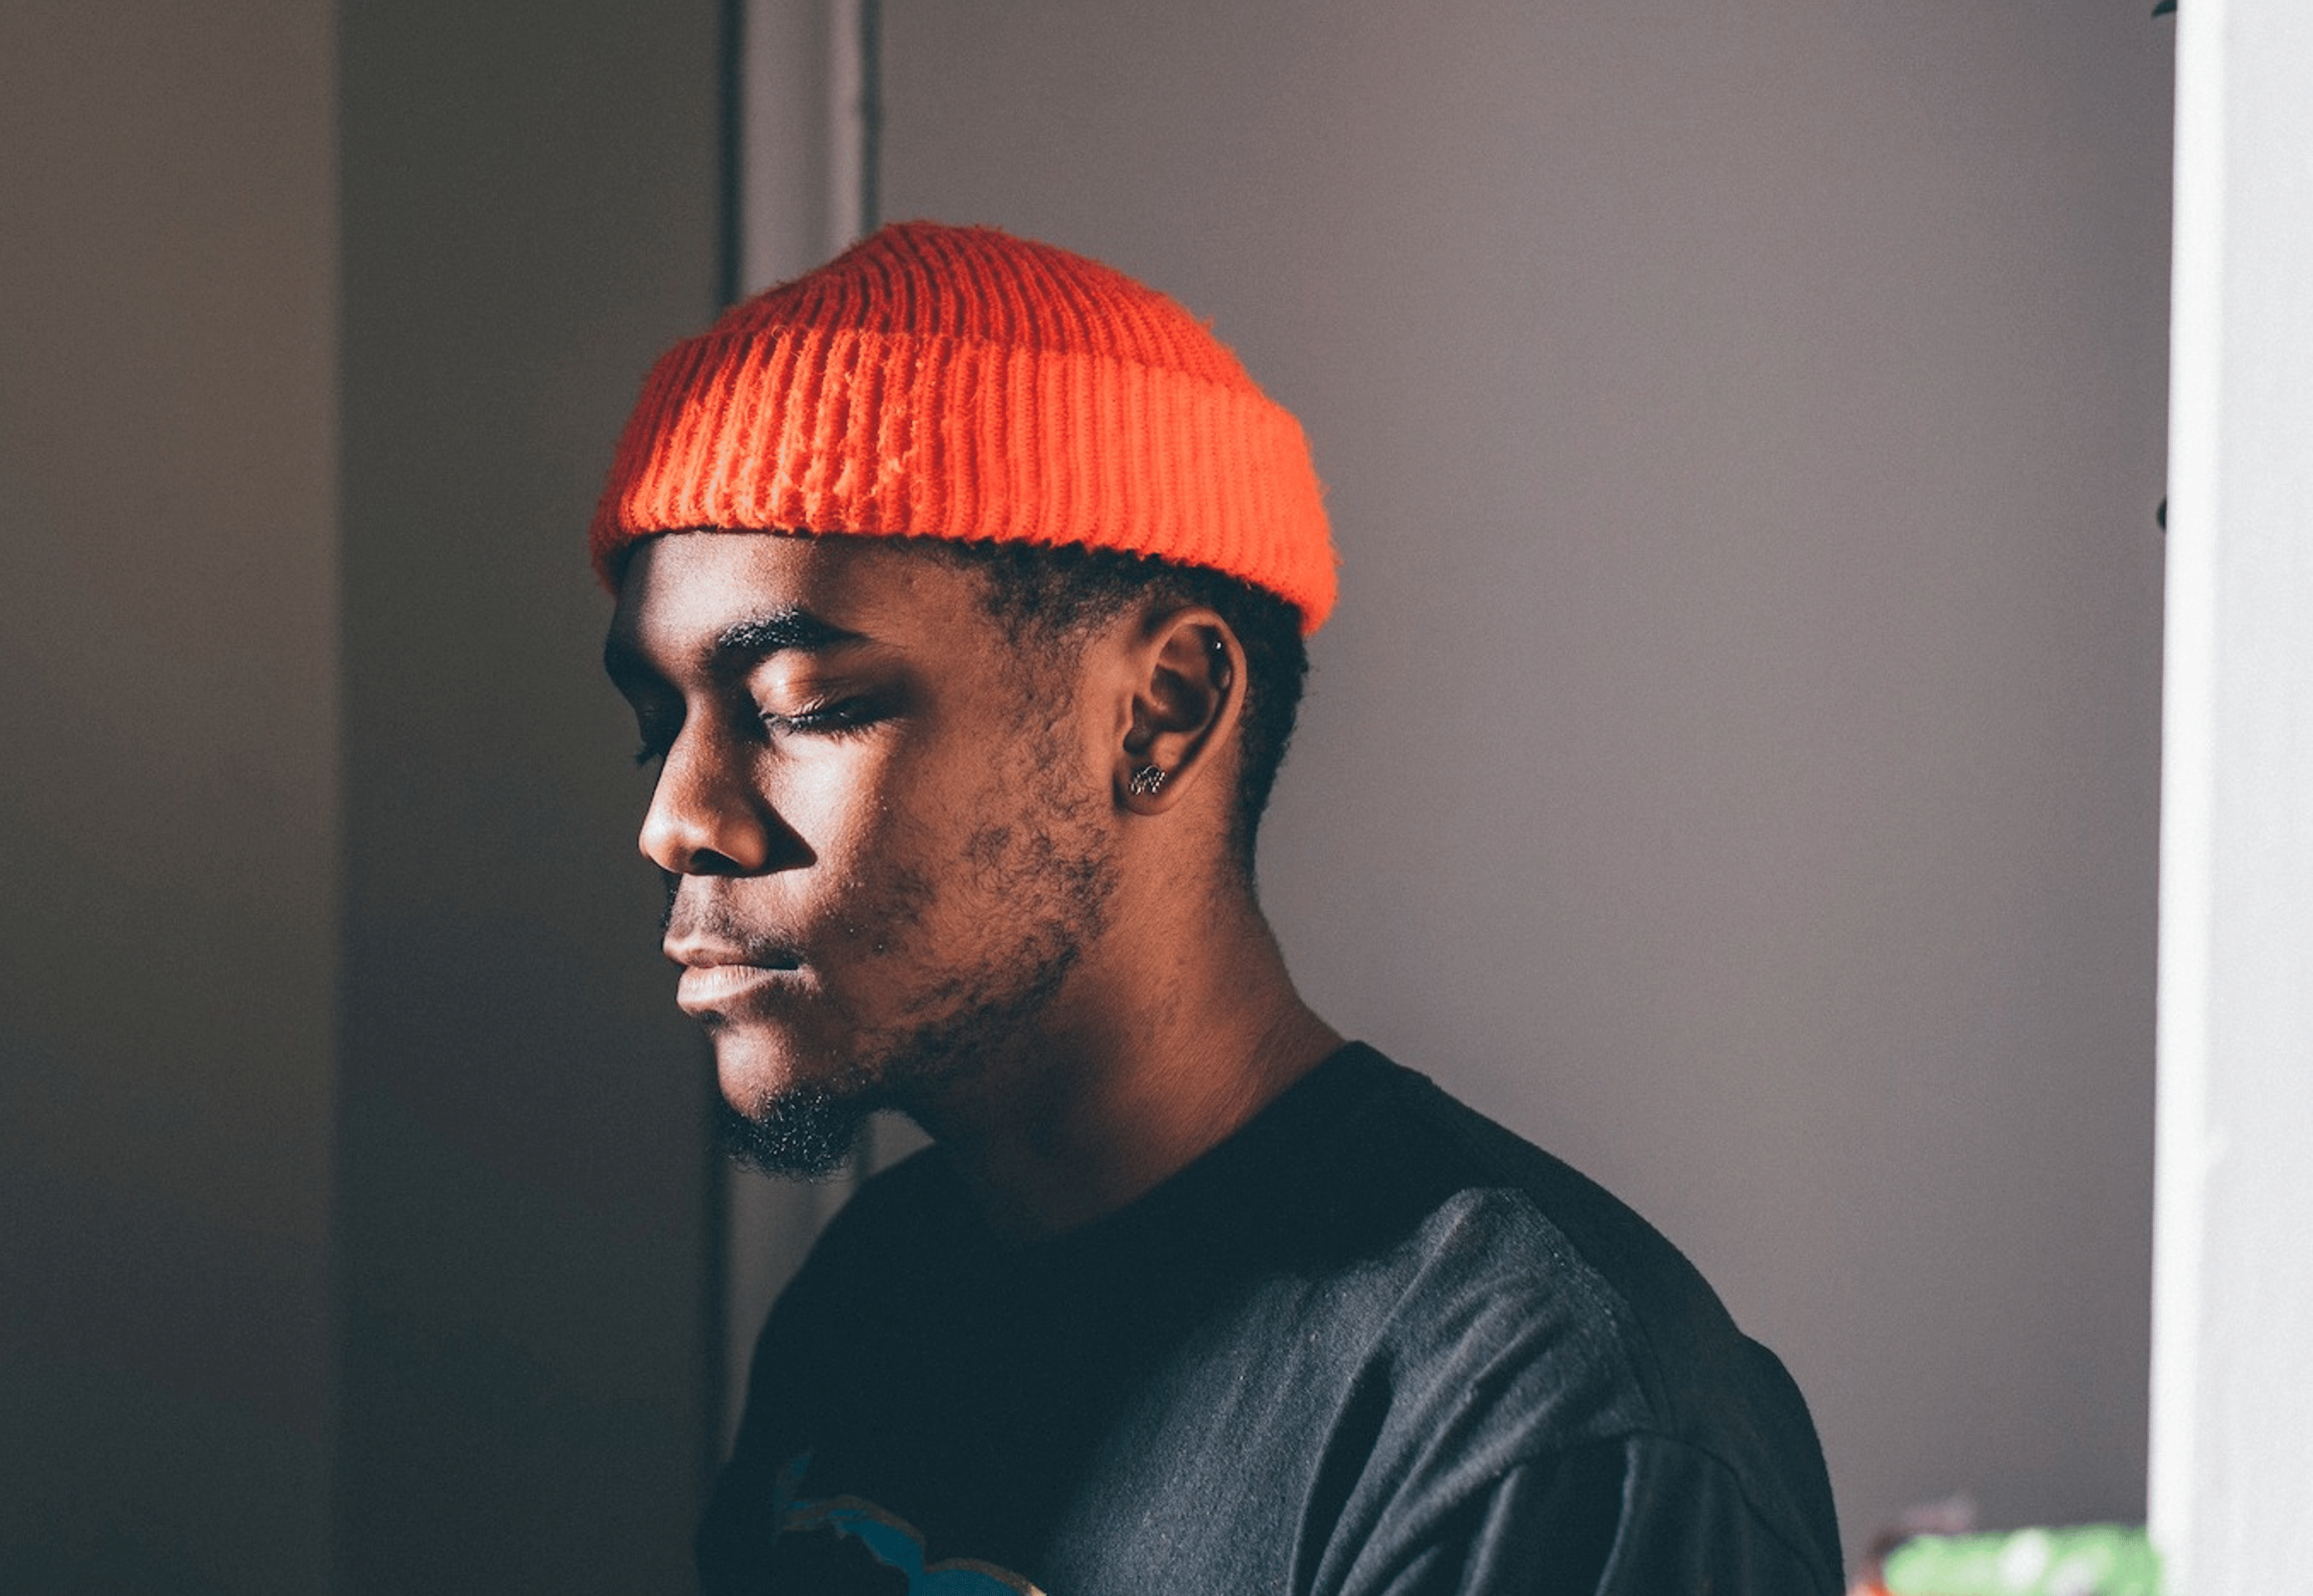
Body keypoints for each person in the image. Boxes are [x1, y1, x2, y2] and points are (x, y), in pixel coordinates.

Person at [593, 221, 1842, 1595]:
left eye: (802, 706)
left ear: (1163, 710)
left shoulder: (1542, 1425)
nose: (674, 818)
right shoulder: (877, 1296)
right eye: (658, 724)